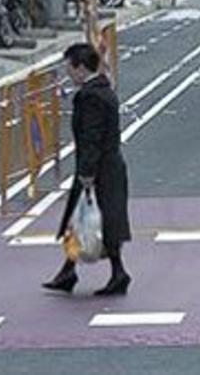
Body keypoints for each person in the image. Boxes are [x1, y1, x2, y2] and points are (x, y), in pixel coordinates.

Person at [43, 43, 131, 296]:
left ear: (80, 68)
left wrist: (87, 173)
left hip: (98, 169)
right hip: (110, 166)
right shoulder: (104, 89)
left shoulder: (90, 96)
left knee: (92, 220)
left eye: (69, 67)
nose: (67, 73)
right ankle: (70, 270)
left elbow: (92, 136)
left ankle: (113, 273)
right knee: (88, 220)